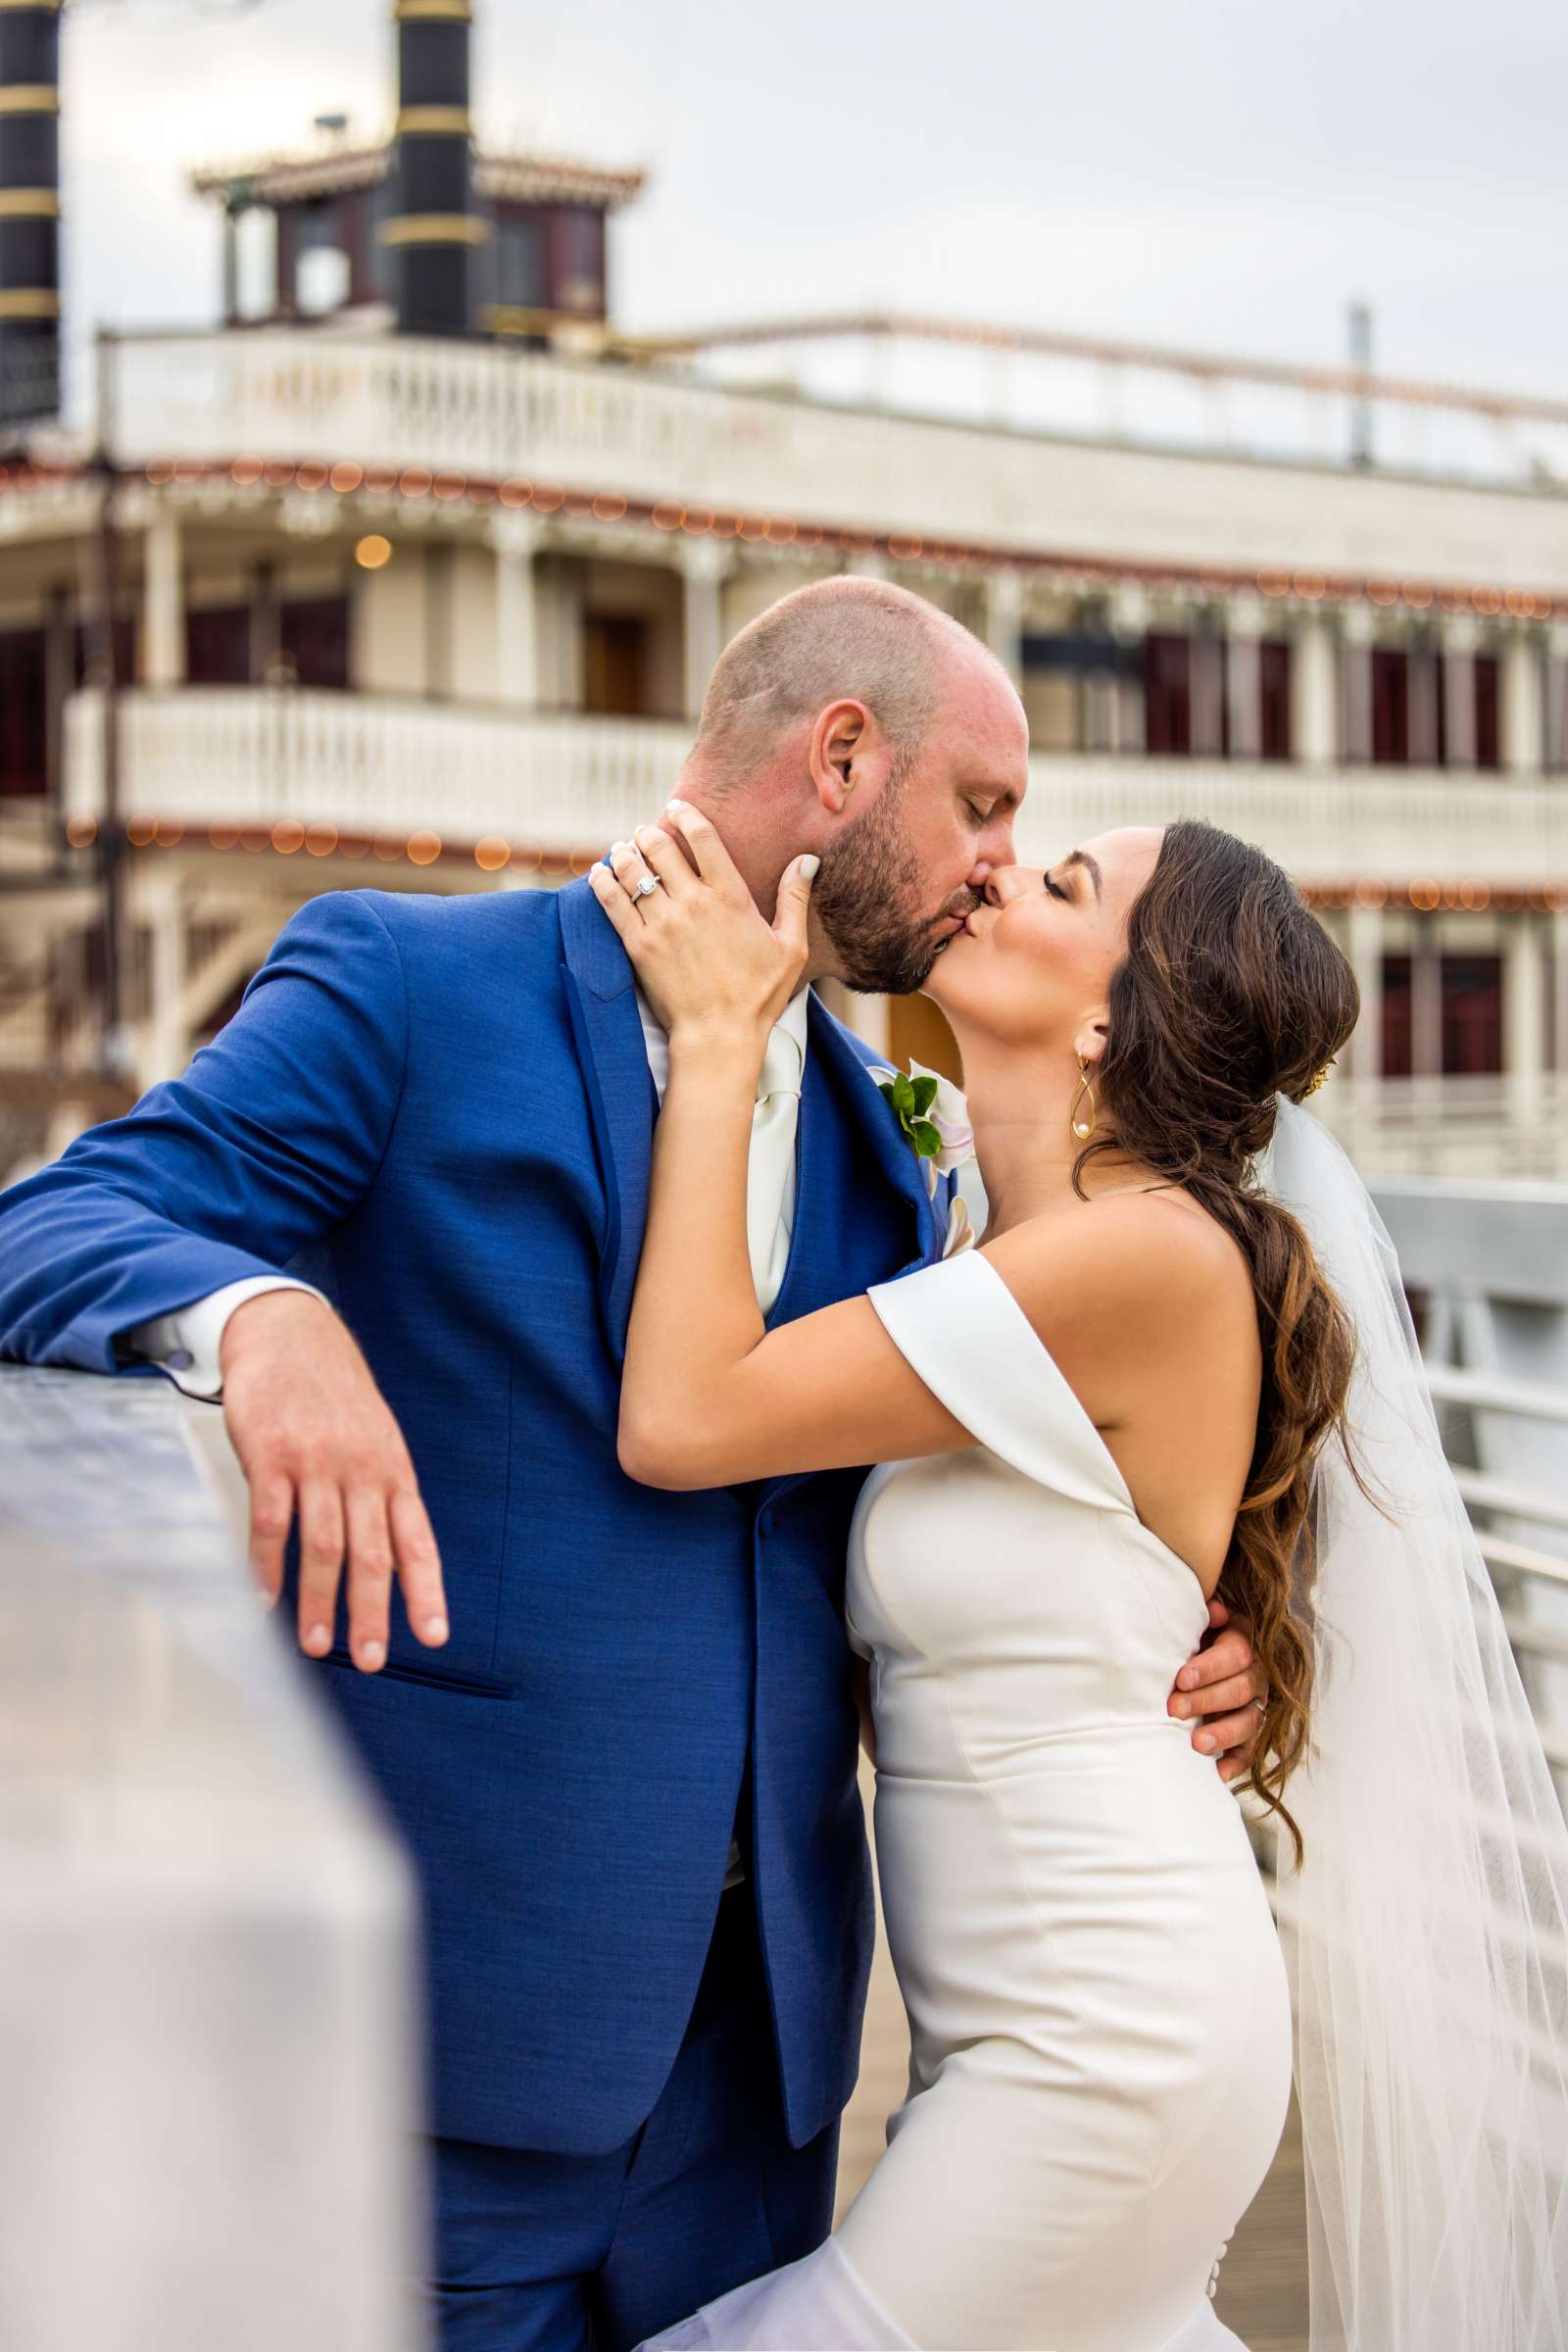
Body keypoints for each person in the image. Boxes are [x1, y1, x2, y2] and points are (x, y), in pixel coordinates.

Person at [0, 580, 1270, 2352]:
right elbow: (57, 1219)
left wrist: (1199, 1635)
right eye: (983, 806)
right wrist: (261, 1317)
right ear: (842, 757)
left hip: (764, 2084)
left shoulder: (891, 1156)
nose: (1000, 860)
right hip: (461, 2043)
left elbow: (1044, 1463)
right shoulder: (414, 986)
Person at [593, 804, 1568, 2352]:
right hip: (1042, 2020)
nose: (995, 869)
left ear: (1120, 1010)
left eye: (1059, 882)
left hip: (1105, 2035)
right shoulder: (993, 1235)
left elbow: (685, 1416)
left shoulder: (1146, 1258)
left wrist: (720, 1036)